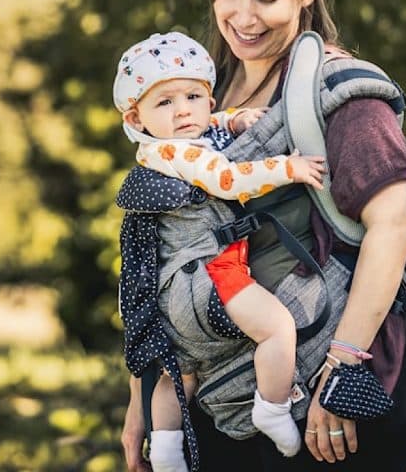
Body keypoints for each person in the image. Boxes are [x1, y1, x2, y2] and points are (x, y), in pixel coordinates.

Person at [120, 0, 406, 471]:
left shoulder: (341, 89)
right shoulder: (200, 96)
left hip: (328, 392)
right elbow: (161, 249)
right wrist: (144, 394)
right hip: (220, 395)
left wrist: (342, 371)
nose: (244, 17)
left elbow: (395, 224)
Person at [113, 31, 327, 471]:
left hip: (172, 291)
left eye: (194, 95)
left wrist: (231, 121)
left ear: (208, 100)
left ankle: (168, 452)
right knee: (277, 329)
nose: (183, 110)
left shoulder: (162, 146)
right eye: (165, 103)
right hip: (213, 275)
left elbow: (210, 124)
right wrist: (288, 167)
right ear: (136, 117)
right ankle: (271, 407)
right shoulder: (181, 153)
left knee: (182, 373)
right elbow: (228, 179)